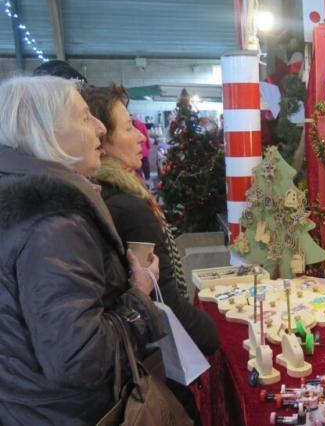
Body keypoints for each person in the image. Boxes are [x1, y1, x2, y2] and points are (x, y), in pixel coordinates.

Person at [0, 75, 165, 425]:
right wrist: (139, 297)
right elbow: (78, 358)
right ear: (45, 131)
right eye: (84, 116)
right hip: (72, 413)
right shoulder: (53, 221)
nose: (100, 128)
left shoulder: (23, 205)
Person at [80, 84, 220, 421]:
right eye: (128, 128)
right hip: (151, 361)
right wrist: (212, 336)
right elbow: (162, 293)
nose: (142, 136)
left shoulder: (101, 197)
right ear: (102, 139)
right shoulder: (127, 206)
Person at [133, 116, 152, 180]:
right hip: (143, 148)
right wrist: (149, 146)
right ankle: (147, 177)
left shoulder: (131, 126)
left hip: (134, 148)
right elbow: (146, 135)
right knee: (145, 163)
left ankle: (140, 178)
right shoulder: (142, 125)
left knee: (137, 165)